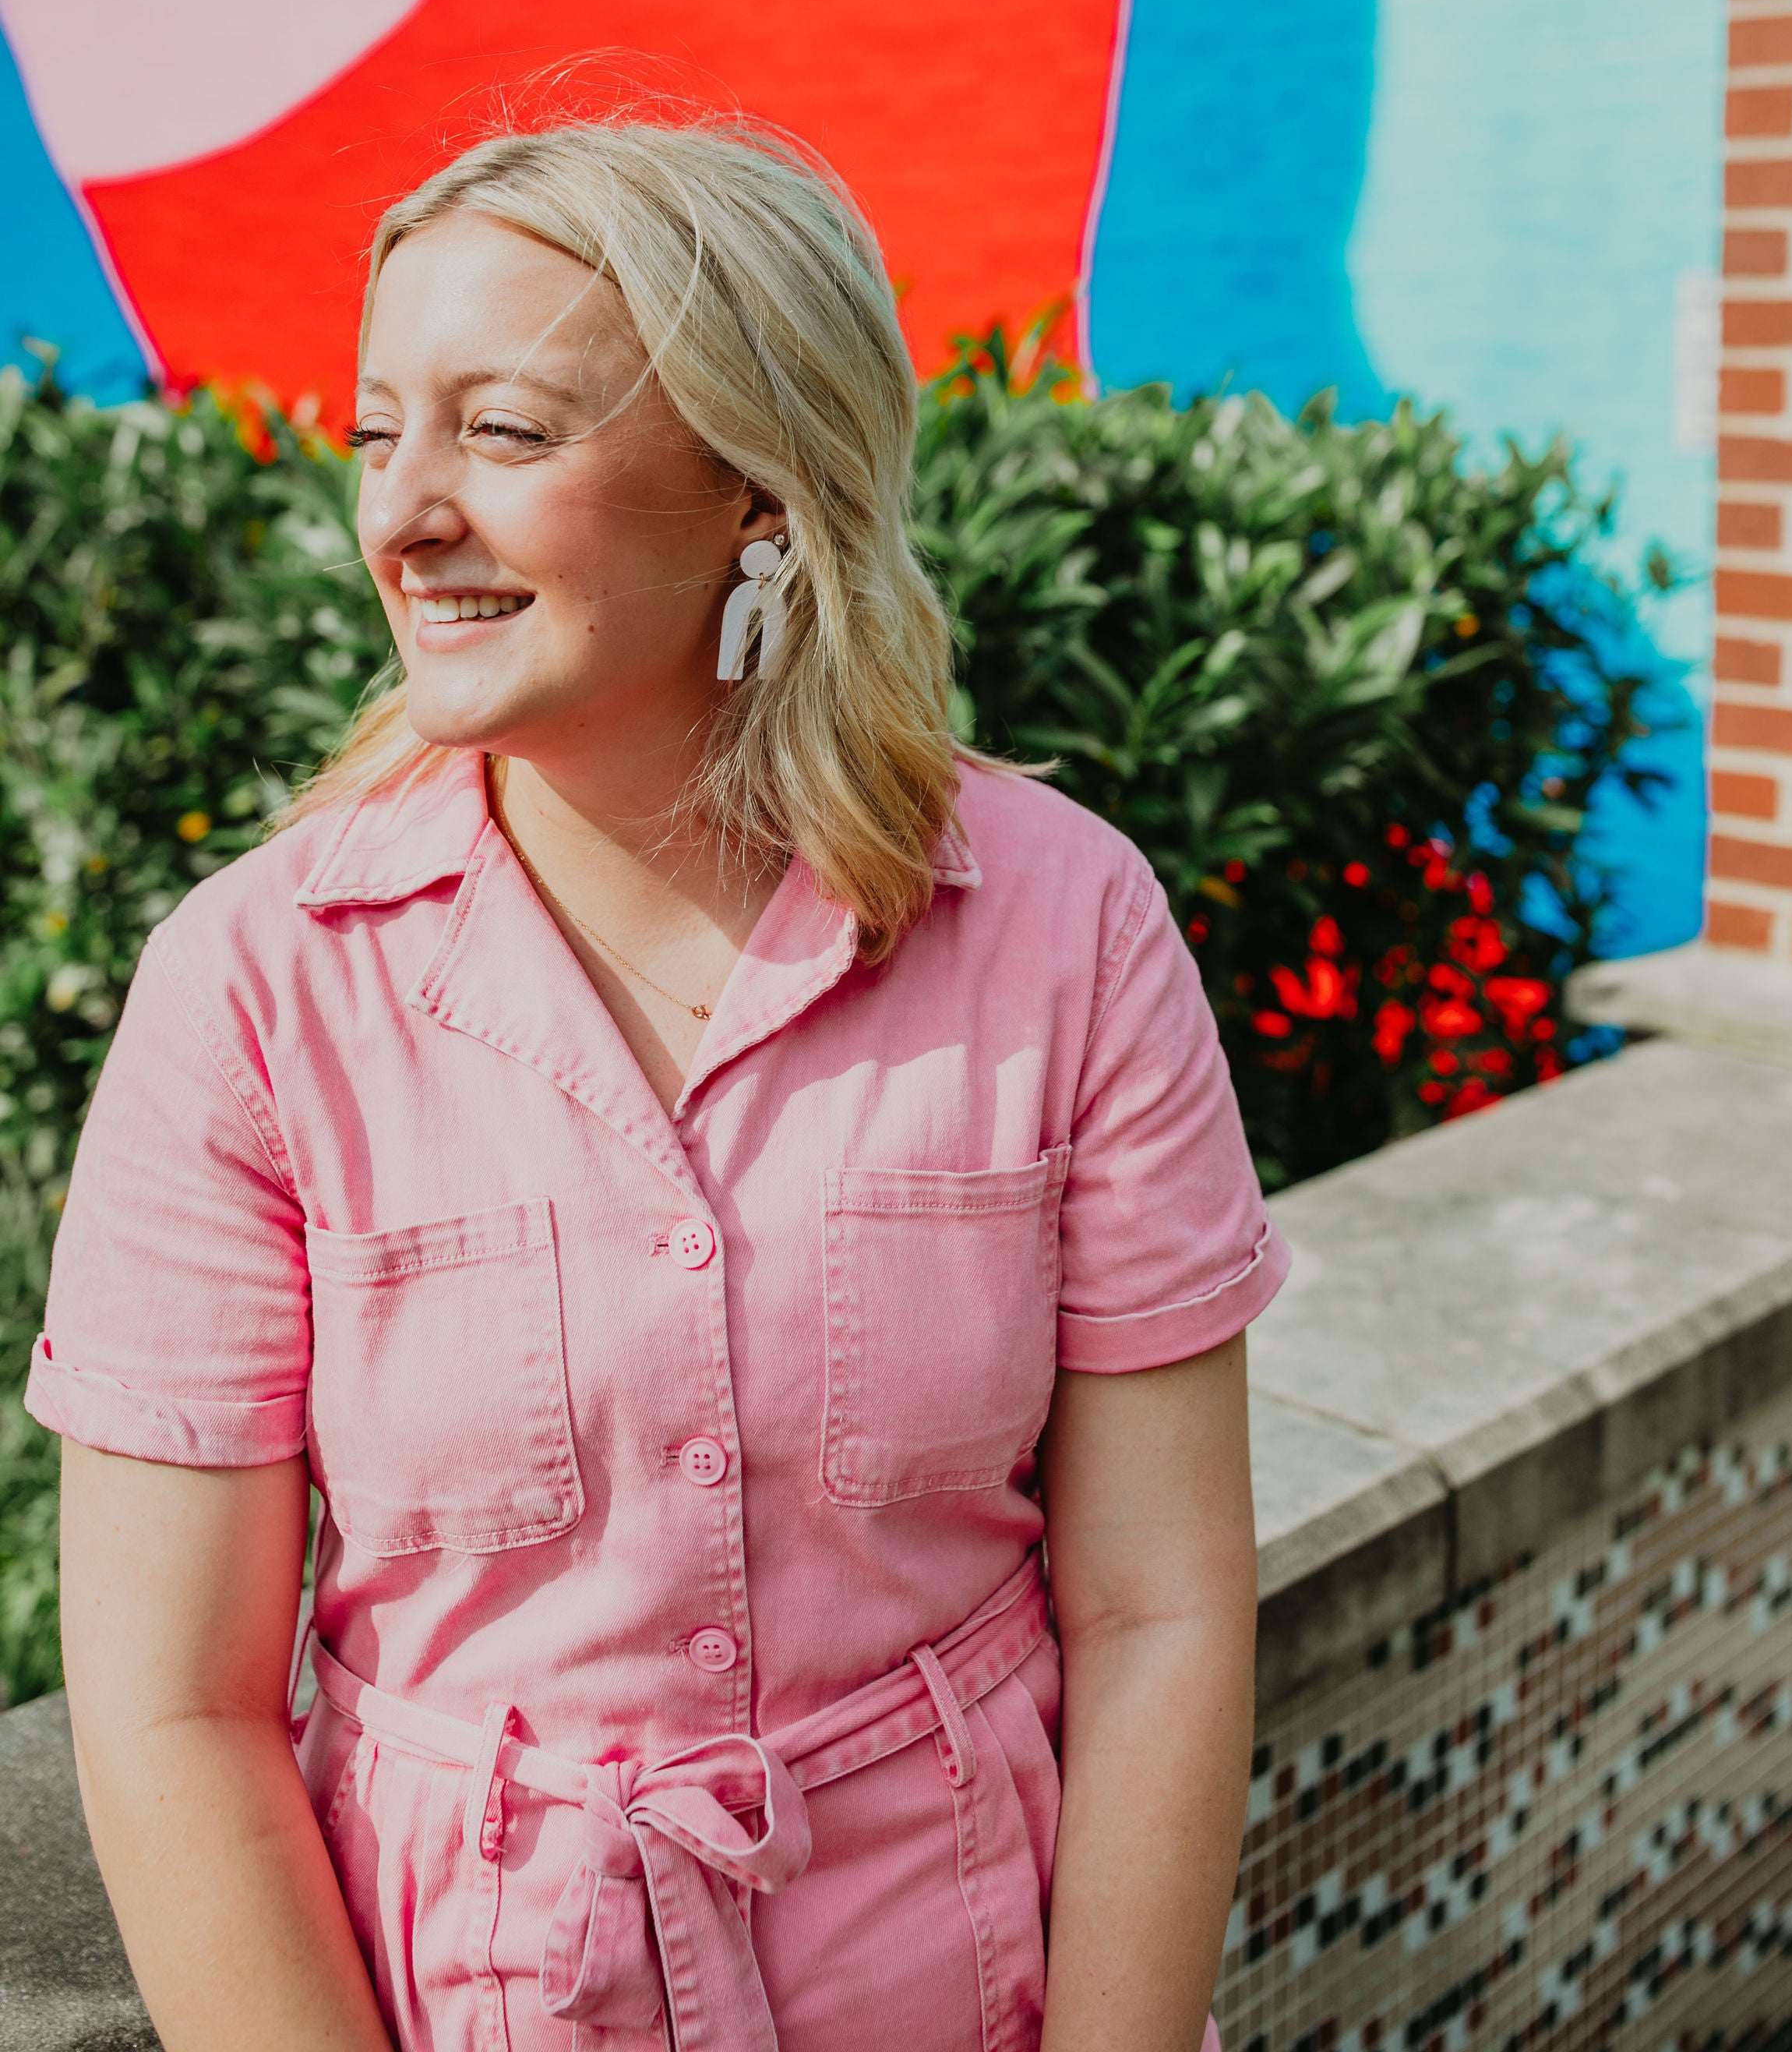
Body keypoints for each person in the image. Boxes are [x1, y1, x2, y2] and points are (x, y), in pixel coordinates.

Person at [34, 117, 1289, 2052]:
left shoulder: (1066, 929)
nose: (401, 516)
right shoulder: (255, 988)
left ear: (759, 489)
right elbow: (169, 1704)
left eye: (505, 432)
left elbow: (1161, 1612)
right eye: (381, 436)